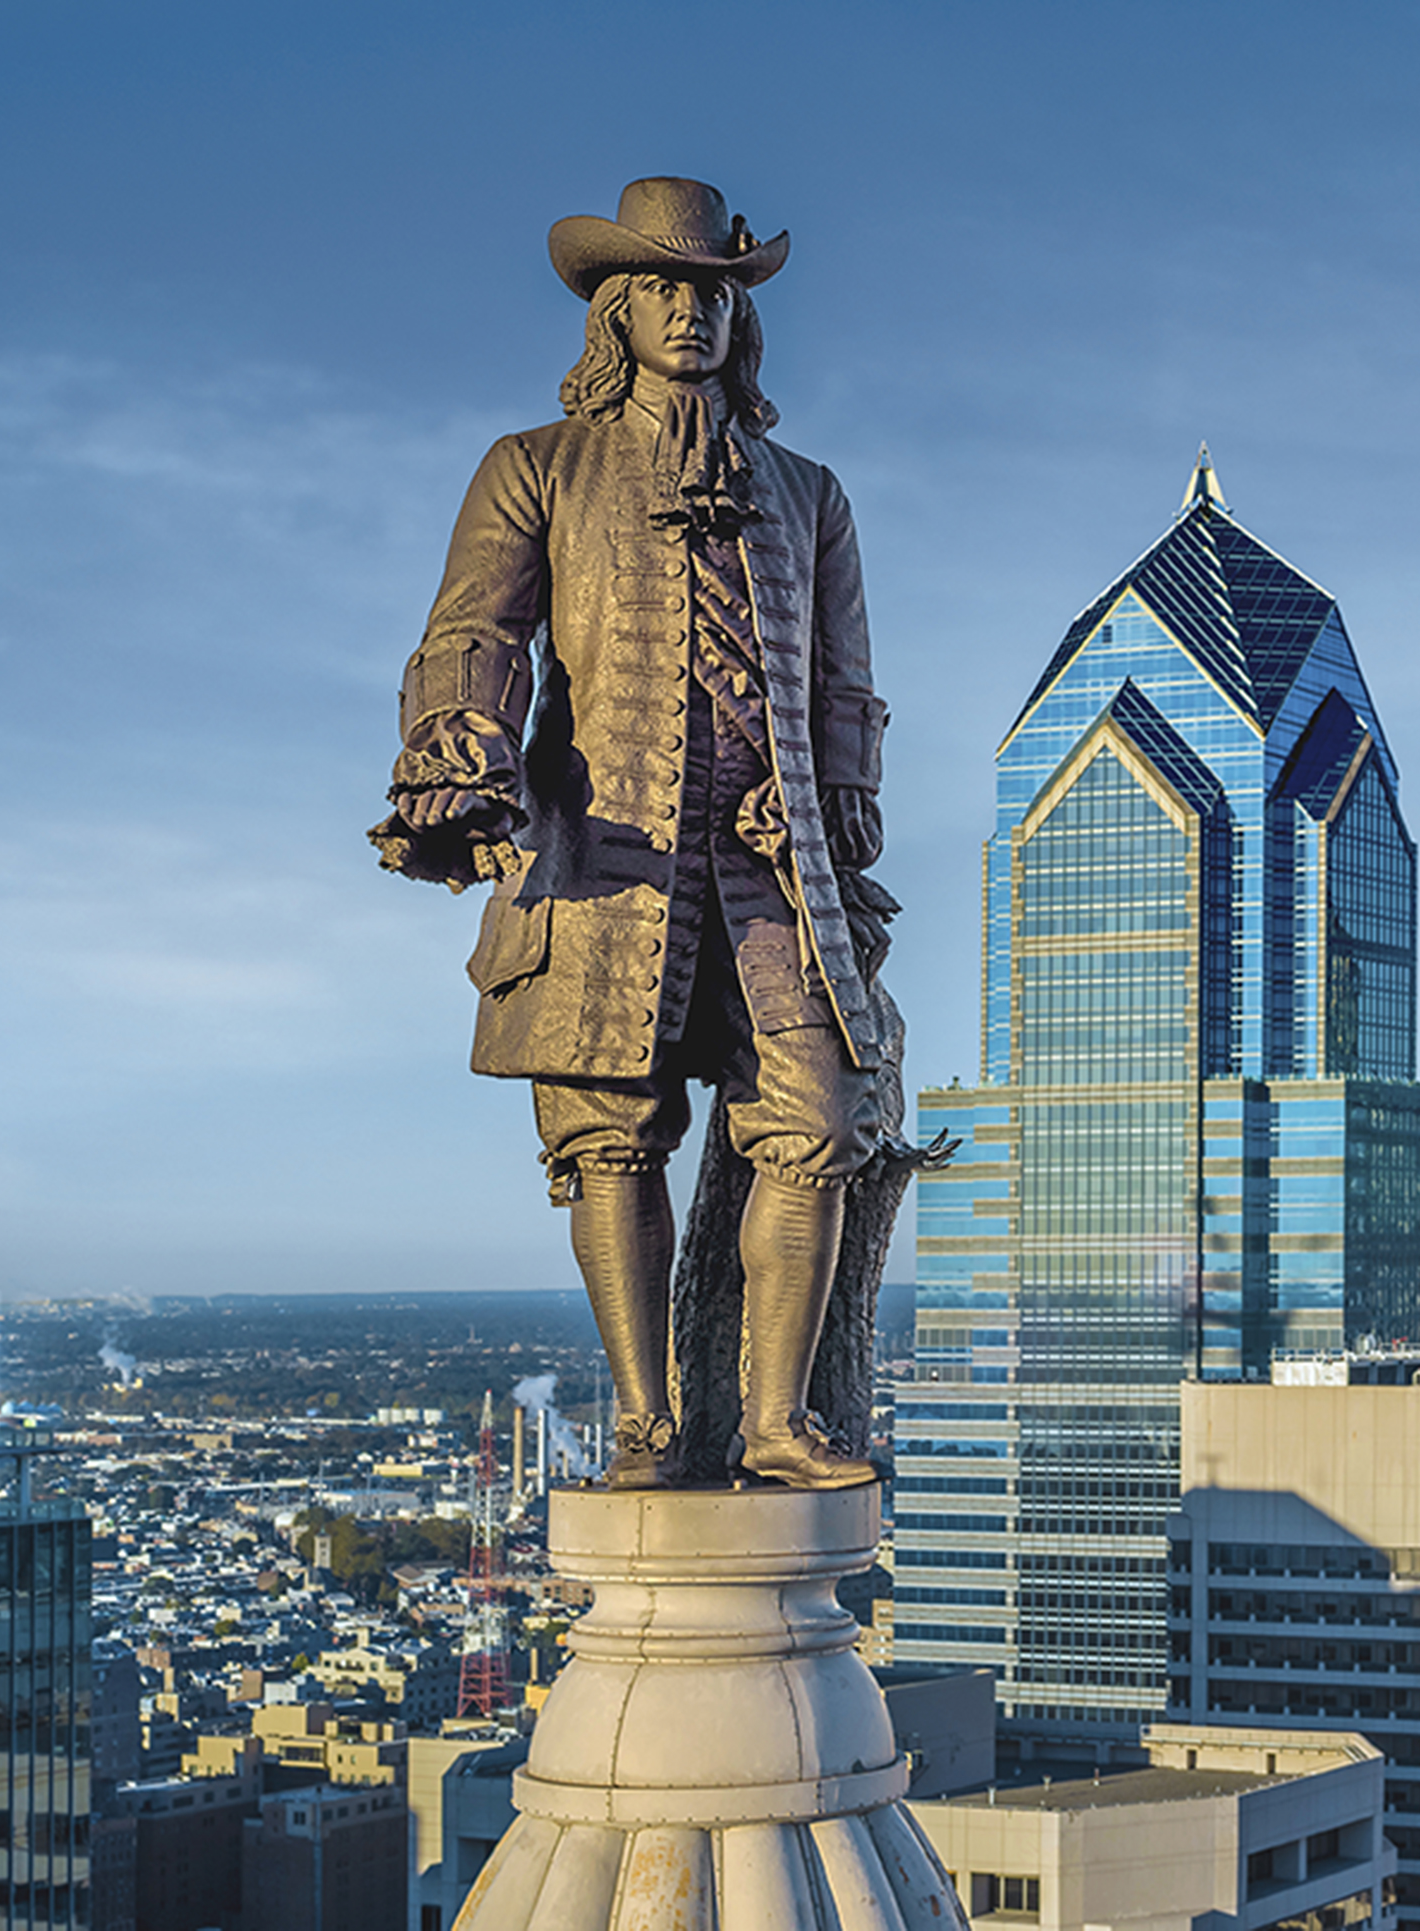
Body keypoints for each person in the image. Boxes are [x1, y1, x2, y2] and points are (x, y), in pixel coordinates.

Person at [372, 179, 888, 1491]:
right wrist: (462, 756)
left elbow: (841, 680)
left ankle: (775, 1421)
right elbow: (472, 632)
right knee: (611, 1133)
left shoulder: (809, 492)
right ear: (617, 307)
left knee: (816, 1120)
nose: (691, 310)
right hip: (605, 853)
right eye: (662, 286)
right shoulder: (536, 467)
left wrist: (832, 804)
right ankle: (651, 1425)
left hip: (774, 870)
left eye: (712, 288)